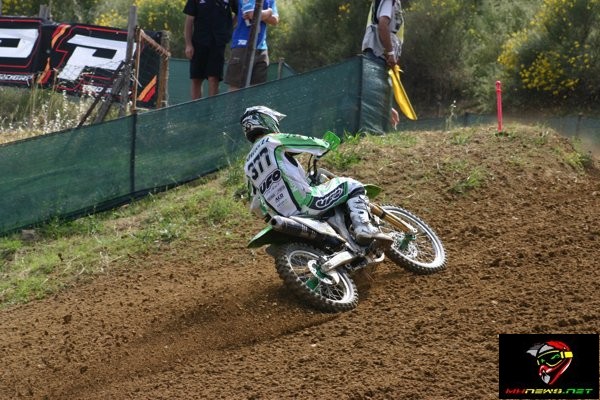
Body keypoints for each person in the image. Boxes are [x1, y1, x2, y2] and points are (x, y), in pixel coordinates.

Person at [241, 106, 392, 246]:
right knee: (352, 185)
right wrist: (325, 144)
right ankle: (364, 228)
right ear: (266, 121)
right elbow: (305, 142)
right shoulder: (271, 140)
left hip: (286, 217)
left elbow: (255, 206)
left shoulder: (247, 164)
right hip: (308, 203)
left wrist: (269, 216)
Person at [362, 0, 404, 129]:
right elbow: (382, 25)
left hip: (378, 53)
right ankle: (374, 130)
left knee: (376, 91)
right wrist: (390, 53)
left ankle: (381, 126)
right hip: (379, 52)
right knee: (373, 91)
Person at [183, 0, 236, 99]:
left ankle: (211, 108)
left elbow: (238, 12)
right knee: (196, 78)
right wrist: (188, 44)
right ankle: (196, 107)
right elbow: (189, 20)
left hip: (218, 43)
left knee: (214, 78)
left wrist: (227, 27)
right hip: (198, 42)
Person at [225, 0, 279, 91]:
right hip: (242, 45)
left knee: (256, 91)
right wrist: (269, 12)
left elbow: (275, 20)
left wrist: (260, 15)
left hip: (261, 49)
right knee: (236, 88)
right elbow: (252, 14)